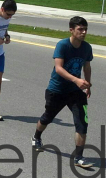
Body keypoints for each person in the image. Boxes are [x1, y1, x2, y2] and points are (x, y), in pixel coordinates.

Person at [31, 16, 94, 168]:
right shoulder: (63, 45)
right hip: (57, 90)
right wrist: (76, 80)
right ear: (71, 30)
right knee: (47, 117)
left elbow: (86, 66)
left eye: (85, 29)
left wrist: (87, 84)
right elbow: (58, 68)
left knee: (82, 123)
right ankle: (36, 136)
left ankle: (78, 157)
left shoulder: (87, 47)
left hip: (76, 91)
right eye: (80, 29)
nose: (84, 32)